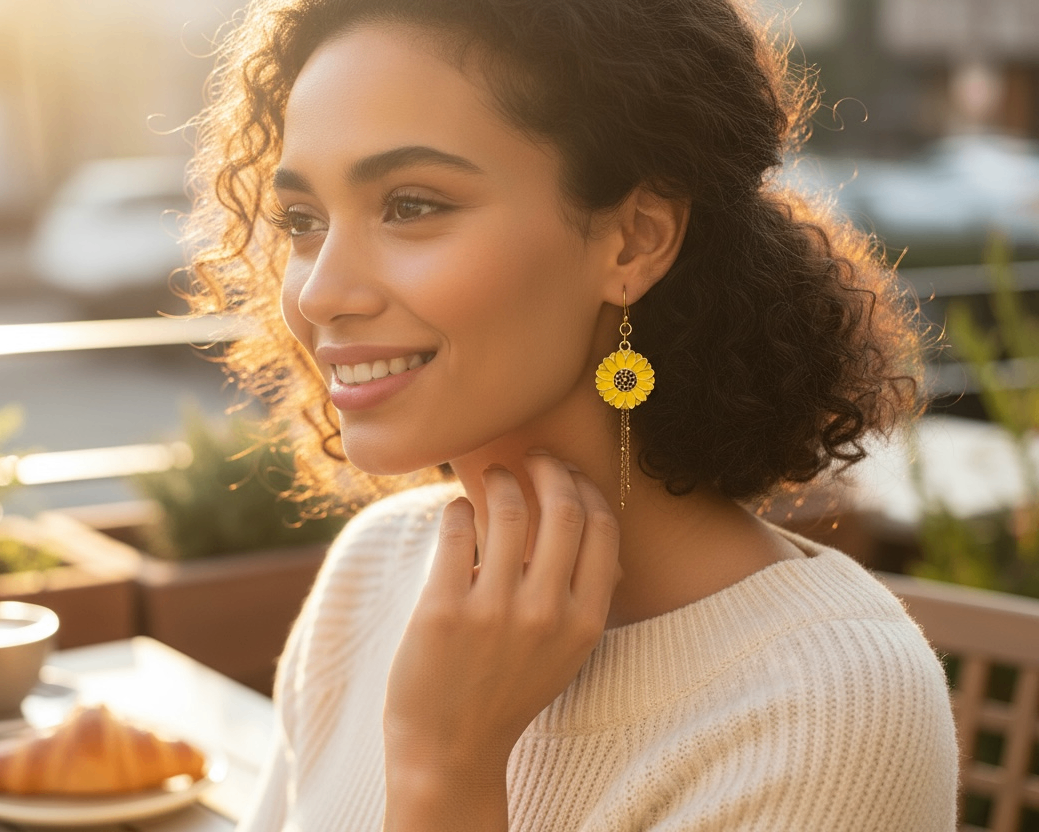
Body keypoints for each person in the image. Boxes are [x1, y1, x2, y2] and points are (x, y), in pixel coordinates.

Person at [181, 0, 960, 829]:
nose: (320, 292)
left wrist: (446, 766)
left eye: (410, 205)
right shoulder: (375, 569)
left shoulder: (829, 709)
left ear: (633, 240)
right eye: (303, 221)